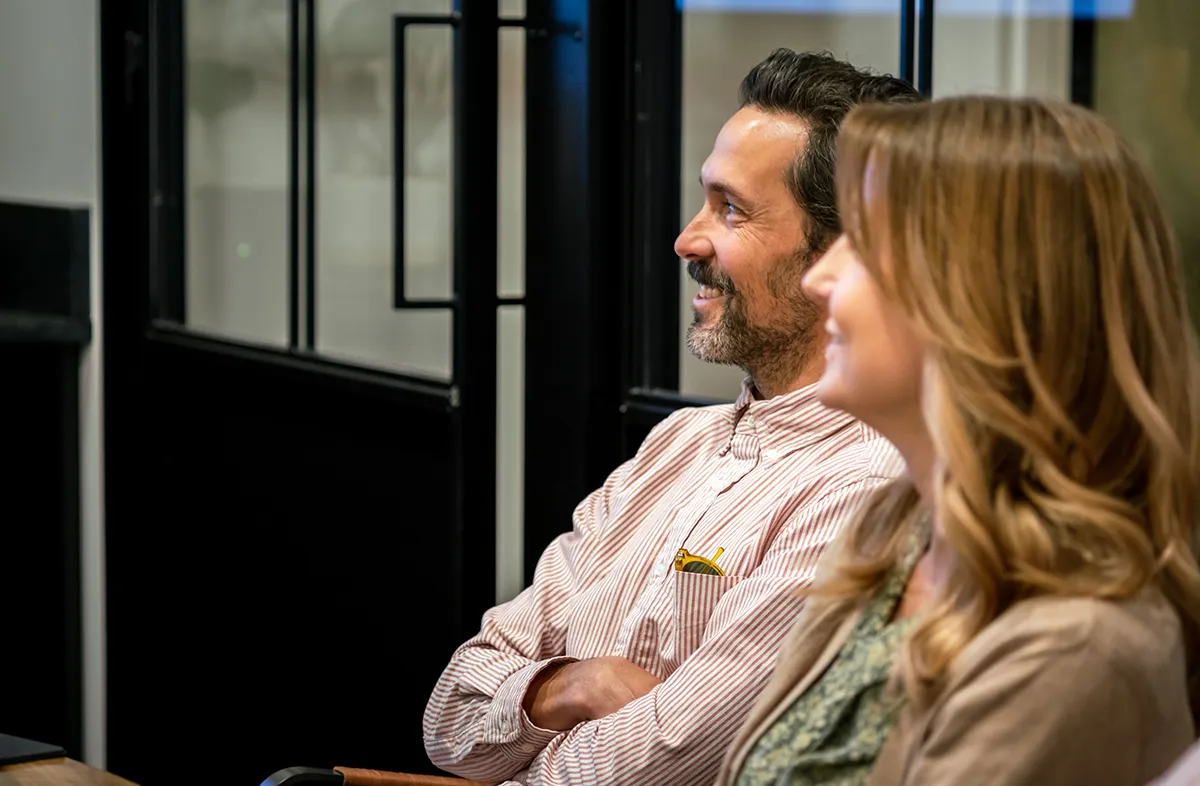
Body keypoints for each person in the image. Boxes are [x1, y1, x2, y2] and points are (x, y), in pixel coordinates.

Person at [422, 50, 920, 786]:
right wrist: (574, 686)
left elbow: (647, 771)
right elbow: (448, 719)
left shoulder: (869, 485)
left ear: (841, 254)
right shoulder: (676, 444)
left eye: (732, 209)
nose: (688, 239)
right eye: (704, 200)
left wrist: (528, 728)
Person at [716, 94, 1200, 786]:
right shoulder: (895, 530)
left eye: (863, 243)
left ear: (982, 300)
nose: (819, 277)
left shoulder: (1077, 651)